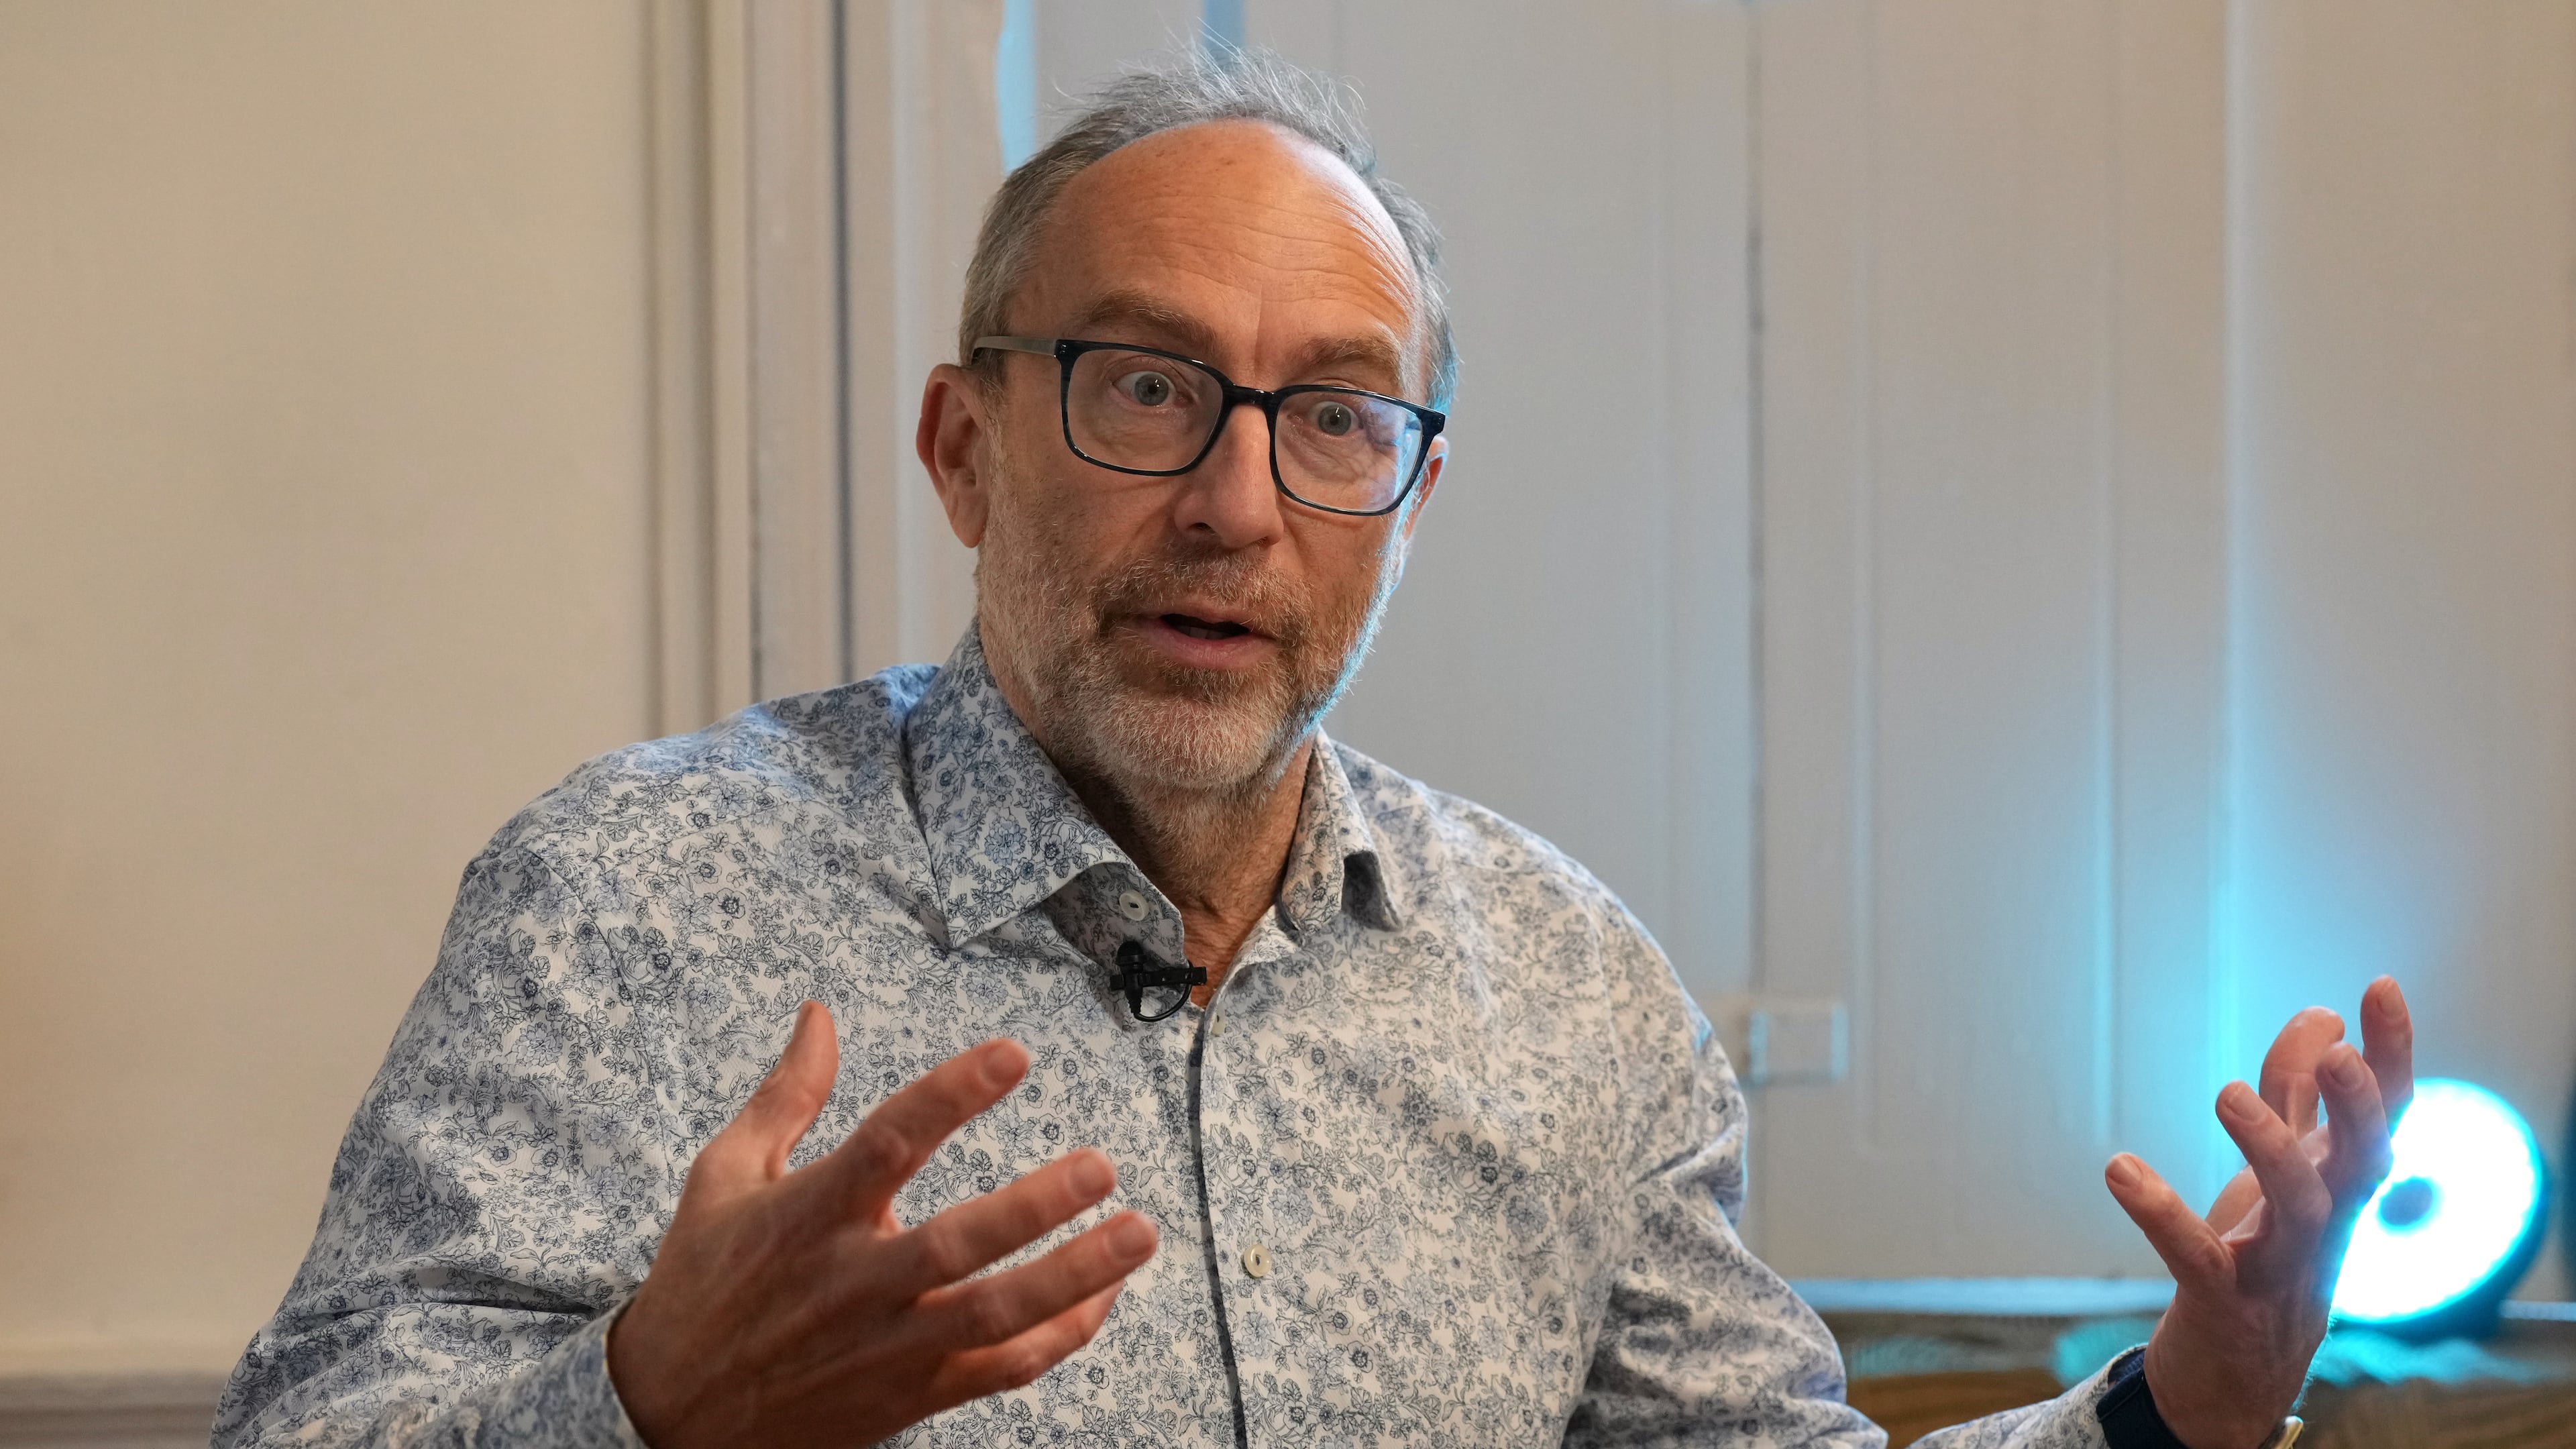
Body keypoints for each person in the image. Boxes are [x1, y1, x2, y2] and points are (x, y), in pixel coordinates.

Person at [217, 52, 2410, 1449]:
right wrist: (643, 1412)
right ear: (964, 447)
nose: (1238, 504)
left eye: (1336, 418)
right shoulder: (633, 899)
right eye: (1144, 387)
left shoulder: (1567, 988)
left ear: (1412, 496)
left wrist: (2182, 1413)